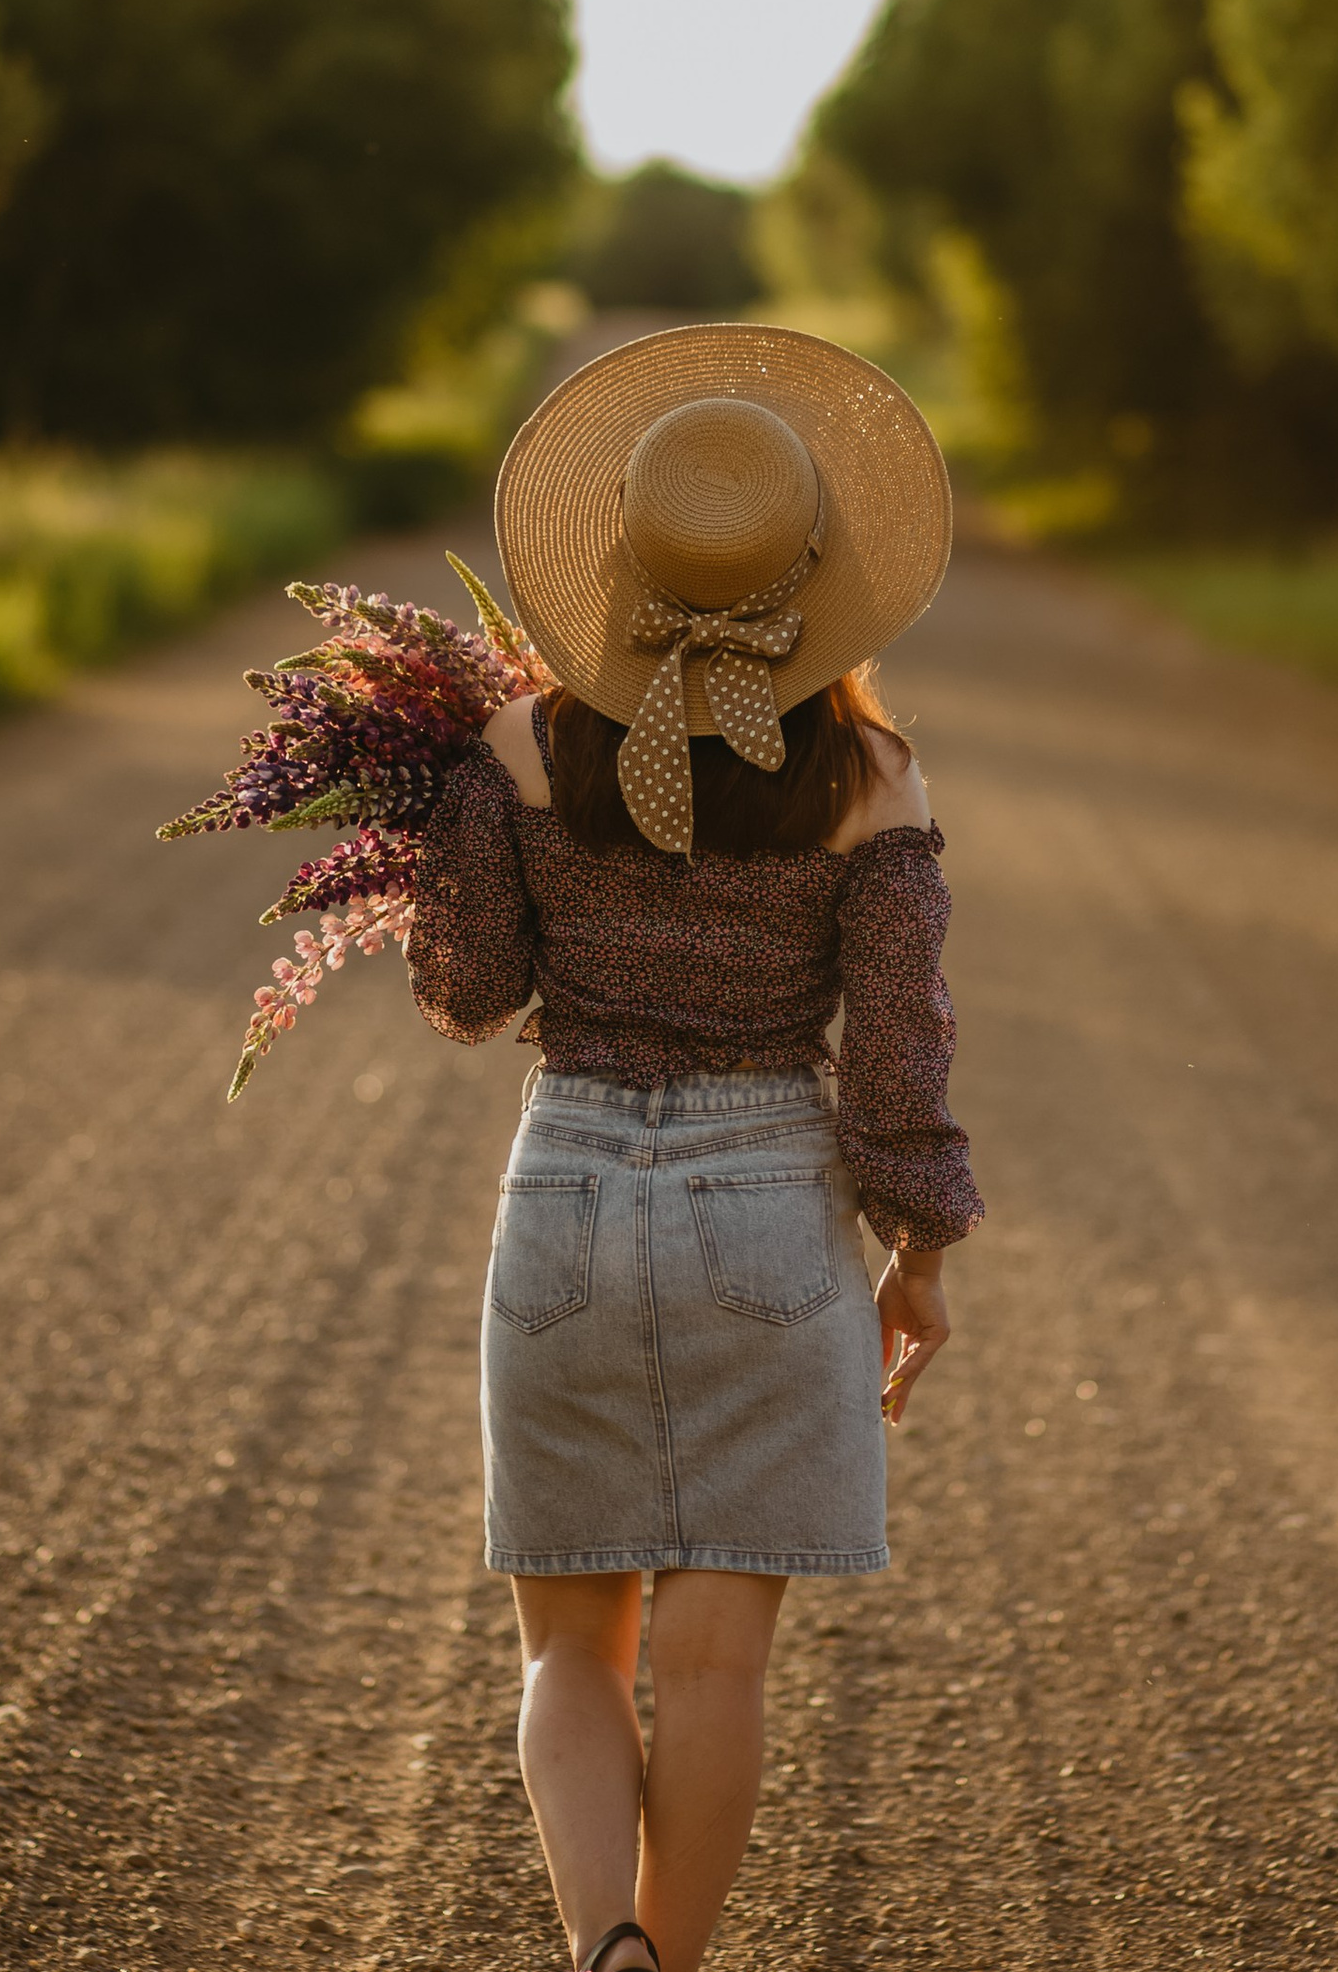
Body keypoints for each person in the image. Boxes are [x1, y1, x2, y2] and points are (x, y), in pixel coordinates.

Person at [406, 324, 985, 1972]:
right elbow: (900, 1044)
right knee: (718, 1668)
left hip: (566, 1192)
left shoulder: (524, 746)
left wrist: (441, 812)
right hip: (769, 1207)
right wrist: (919, 1251)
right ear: (819, 580)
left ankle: (606, 1952)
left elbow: (471, 990)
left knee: (566, 1653)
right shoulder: (874, 776)